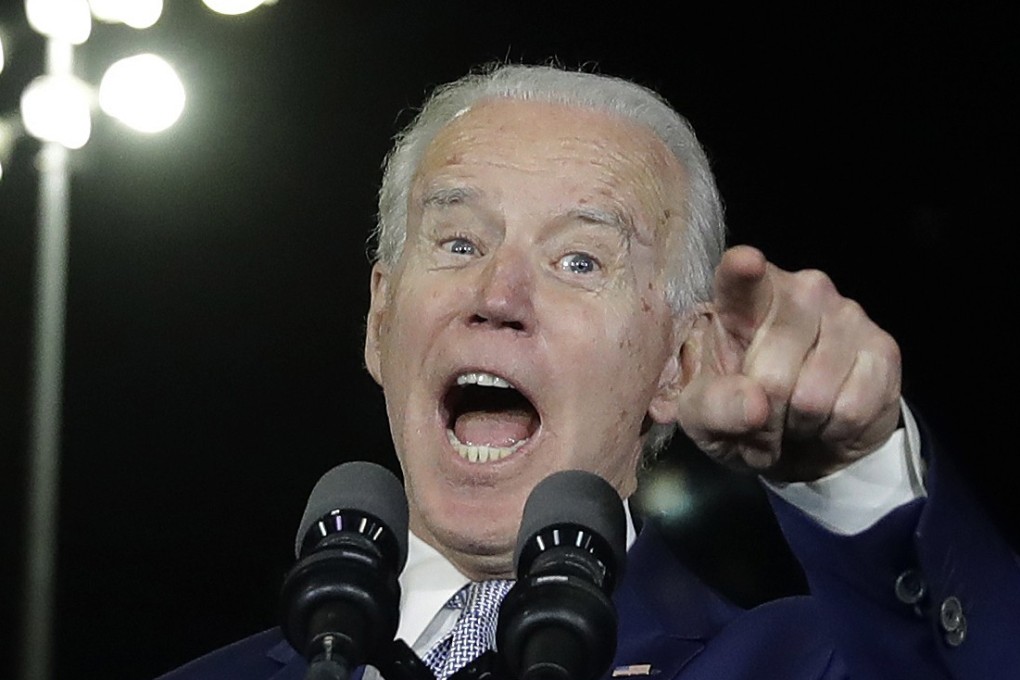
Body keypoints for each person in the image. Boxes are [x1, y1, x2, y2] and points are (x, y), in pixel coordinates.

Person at [156, 62, 1020, 679]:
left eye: (579, 261)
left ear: (678, 365)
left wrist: (854, 477)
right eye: (459, 242)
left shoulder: (807, 660)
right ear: (381, 319)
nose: (498, 293)